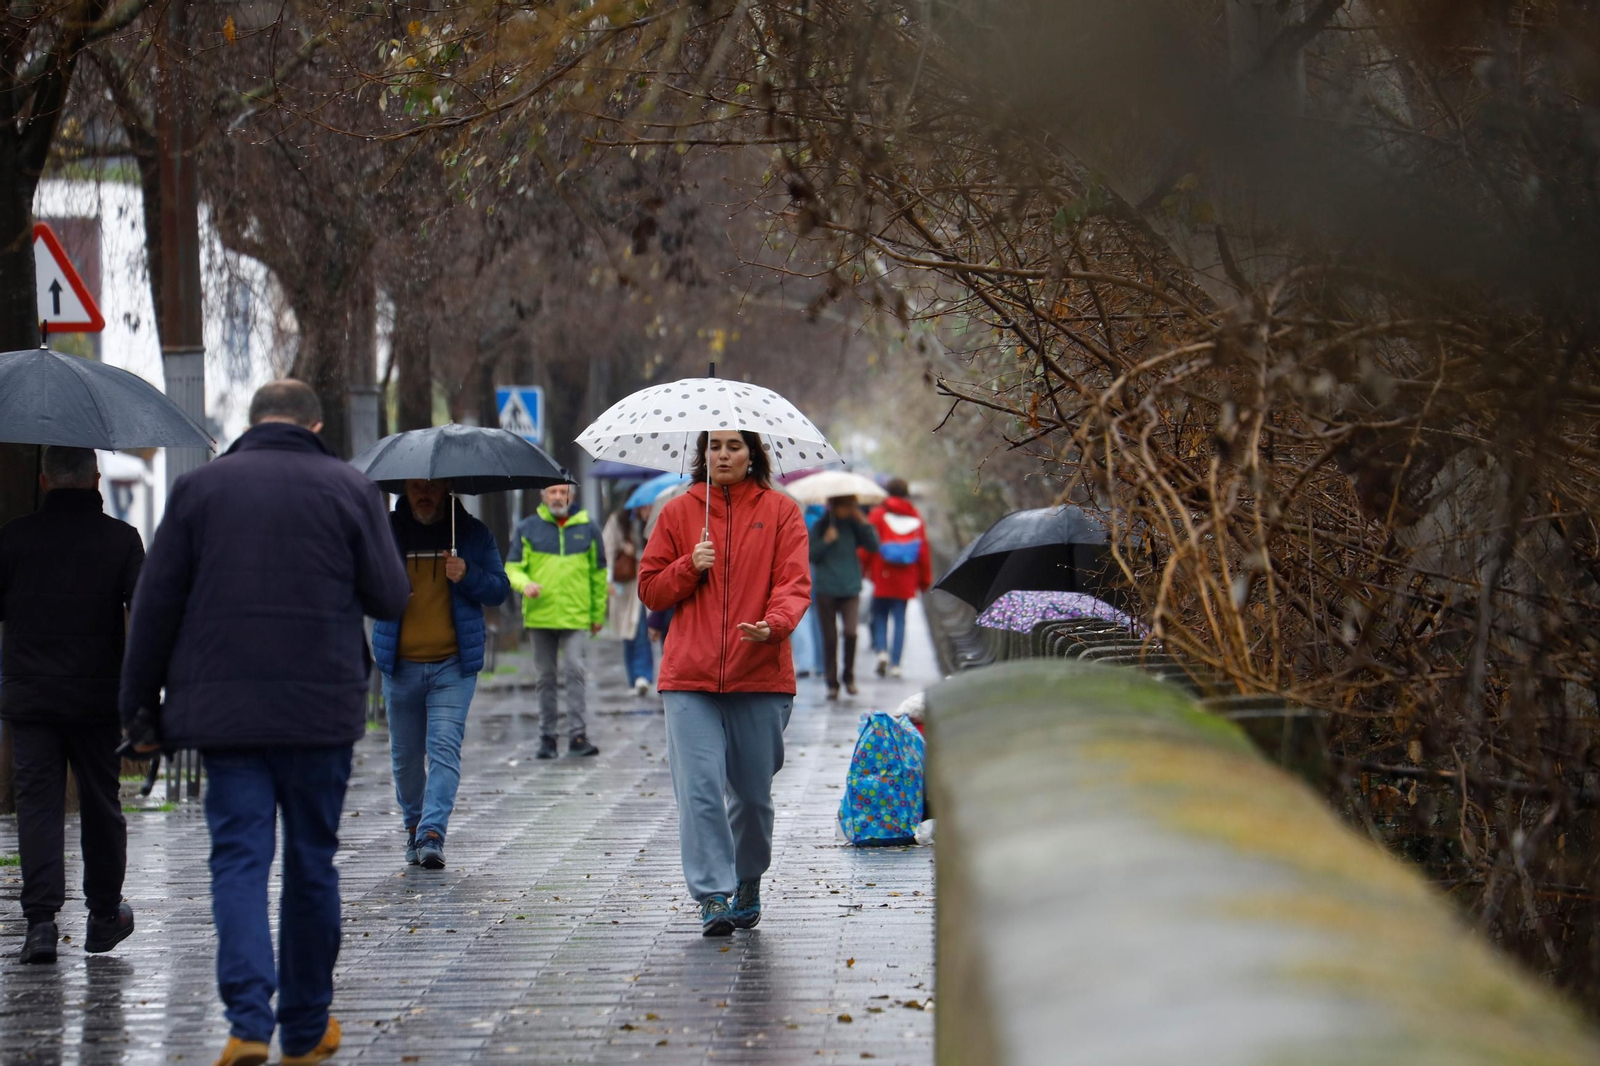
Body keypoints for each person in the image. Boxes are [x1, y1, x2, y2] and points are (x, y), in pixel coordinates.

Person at [120, 380, 410, 1066]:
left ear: (250, 425)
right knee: (313, 863)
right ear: (314, 424)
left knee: (240, 862)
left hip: (228, 719)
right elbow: (390, 595)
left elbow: (153, 606)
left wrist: (138, 713)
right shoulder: (349, 488)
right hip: (320, 714)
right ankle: (305, 1031)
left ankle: (249, 1024)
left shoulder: (199, 492)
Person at [639, 429, 811, 936]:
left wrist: (773, 625)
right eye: (714, 445)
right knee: (700, 789)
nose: (723, 454)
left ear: (753, 453)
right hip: (689, 676)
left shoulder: (782, 512)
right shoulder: (677, 512)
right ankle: (713, 894)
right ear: (702, 454)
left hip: (759, 671)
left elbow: (794, 583)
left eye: (734, 445)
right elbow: (650, 589)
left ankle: (748, 877)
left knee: (753, 797)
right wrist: (688, 566)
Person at [0, 446, 142, 965]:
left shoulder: (13, 538)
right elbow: (145, 610)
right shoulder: (121, 540)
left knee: (37, 806)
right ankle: (104, 915)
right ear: (95, 478)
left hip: (30, 699)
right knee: (102, 804)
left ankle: (40, 925)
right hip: (97, 699)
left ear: (43, 481)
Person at [371, 480, 510, 871]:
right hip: (400, 666)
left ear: (447, 487)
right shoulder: (386, 532)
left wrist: (467, 574)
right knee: (406, 758)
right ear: (405, 489)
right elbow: (358, 581)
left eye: (432, 486)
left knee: (445, 749)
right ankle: (413, 825)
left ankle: (433, 834)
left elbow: (499, 590)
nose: (424, 493)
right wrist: (387, 589)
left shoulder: (471, 533)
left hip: (453, 665)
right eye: (416, 487)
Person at [504, 483, 607, 759]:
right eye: (553, 492)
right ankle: (547, 738)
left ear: (571, 496)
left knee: (575, 671)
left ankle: (578, 735)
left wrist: (598, 614)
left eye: (563, 492)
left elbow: (598, 574)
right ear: (543, 496)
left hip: (575, 615)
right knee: (545, 678)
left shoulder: (588, 527)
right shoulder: (527, 528)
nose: (558, 497)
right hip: (540, 615)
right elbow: (512, 567)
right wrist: (524, 584)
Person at [808, 495, 879, 699]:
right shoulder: (822, 525)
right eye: (847, 506)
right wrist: (826, 541)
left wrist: (864, 523)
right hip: (826, 589)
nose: (851, 509)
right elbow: (810, 554)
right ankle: (832, 683)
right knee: (830, 638)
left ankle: (849, 676)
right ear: (835, 505)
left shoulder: (853, 525)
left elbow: (873, 546)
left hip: (850, 588)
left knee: (851, 633)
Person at [865, 479, 933, 679]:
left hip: (882, 573)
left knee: (879, 615)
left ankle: (882, 652)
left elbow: (868, 545)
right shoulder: (915, 516)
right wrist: (924, 580)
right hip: (906, 575)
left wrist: (865, 568)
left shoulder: (878, 515)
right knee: (900, 619)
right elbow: (923, 550)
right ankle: (896, 665)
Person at [602, 505, 654, 696]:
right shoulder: (618, 520)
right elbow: (606, 549)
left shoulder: (651, 521)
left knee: (640, 628)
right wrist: (607, 580)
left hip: (642, 586)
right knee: (628, 633)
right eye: (645, 506)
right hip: (623, 586)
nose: (648, 509)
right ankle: (634, 679)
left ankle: (642, 676)